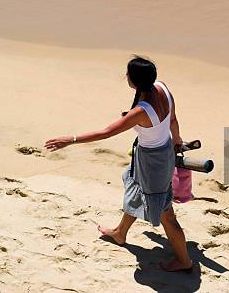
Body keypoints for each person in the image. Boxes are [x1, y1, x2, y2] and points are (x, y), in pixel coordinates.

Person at [44, 56, 193, 272]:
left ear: (133, 80)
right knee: (136, 190)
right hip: (160, 154)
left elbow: (106, 133)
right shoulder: (162, 88)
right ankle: (120, 233)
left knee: (167, 215)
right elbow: (172, 120)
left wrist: (71, 139)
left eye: (128, 74)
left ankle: (184, 261)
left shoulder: (141, 112)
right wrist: (177, 142)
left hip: (154, 164)